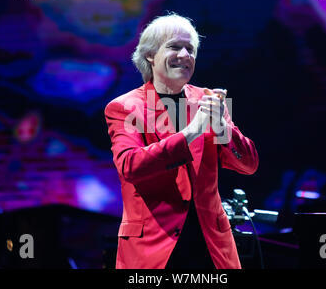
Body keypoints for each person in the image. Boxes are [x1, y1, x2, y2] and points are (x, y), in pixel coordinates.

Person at [104, 13, 259, 269]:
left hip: (210, 246)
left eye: (191, 49)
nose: (186, 55)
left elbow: (248, 165)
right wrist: (192, 132)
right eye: (175, 47)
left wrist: (223, 129)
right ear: (150, 55)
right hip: (154, 247)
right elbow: (130, 166)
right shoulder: (125, 107)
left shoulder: (209, 100)